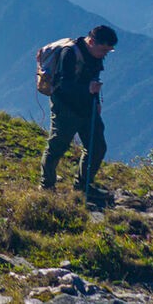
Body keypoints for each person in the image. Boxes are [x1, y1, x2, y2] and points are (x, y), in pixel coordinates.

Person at [39, 24, 118, 201]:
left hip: (87, 106)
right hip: (66, 108)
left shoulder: (95, 55)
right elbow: (62, 86)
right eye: (103, 49)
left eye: (109, 50)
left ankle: (83, 186)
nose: (105, 53)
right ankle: (47, 187)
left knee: (97, 147)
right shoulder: (70, 53)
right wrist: (88, 90)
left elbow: (94, 79)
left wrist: (95, 100)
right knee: (57, 146)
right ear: (91, 41)